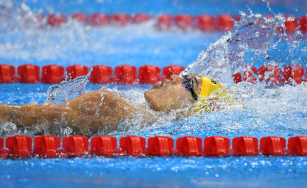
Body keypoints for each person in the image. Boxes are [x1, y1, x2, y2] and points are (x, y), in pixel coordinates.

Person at [0, 73, 224, 136]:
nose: (175, 76)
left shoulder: (110, 105)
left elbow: (13, 116)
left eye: (188, 83)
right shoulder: (136, 120)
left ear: (191, 108)